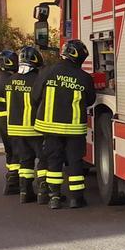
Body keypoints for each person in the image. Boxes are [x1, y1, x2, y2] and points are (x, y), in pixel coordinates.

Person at [32, 39, 96, 209]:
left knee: (54, 161)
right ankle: (76, 198)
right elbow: (90, 100)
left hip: (50, 127)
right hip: (75, 129)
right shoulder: (84, 77)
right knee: (75, 161)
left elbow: (35, 96)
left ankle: (54, 197)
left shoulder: (47, 72)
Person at [6, 45, 45, 204]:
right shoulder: (37, 80)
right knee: (44, 160)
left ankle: (25, 192)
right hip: (34, 128)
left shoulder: (11, 80)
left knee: (25, 161)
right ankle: (44, 193)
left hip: (15, 129)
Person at [0, 50, 21, 195]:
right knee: (17, 150)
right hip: (10, 119)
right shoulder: (10, 80)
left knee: (9, 151)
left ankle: (11, 178)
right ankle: (13, 182)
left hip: (1, 119)